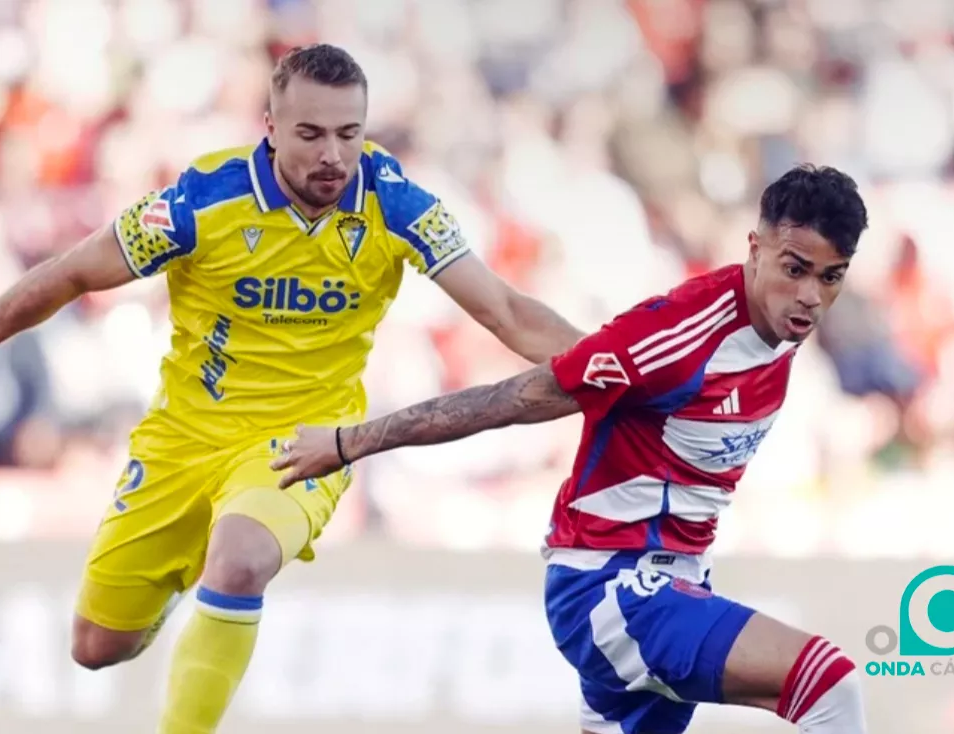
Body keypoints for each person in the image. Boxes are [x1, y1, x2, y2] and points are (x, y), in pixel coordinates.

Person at [0, 44, 583, 733]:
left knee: (240, 560)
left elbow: (506, 311)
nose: (333, 156)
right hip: (184, 441)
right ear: (270, 128)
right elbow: (71, 274)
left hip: (305, 440)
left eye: (349, 133)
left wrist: (620, 362)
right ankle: (191, 578)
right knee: (96, 647)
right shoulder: (202, 201)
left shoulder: (397, 205)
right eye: (310, 134)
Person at [272, 164, 871, 734]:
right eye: (795, 269)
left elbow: (576, 352)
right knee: (829, 684)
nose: (811, 296)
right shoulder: (681, 335)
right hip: (613, 589)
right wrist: (348, 443)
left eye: (831, 277)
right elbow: (505, 401)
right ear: (755, 248)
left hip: (676, 581)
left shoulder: (779, 327)